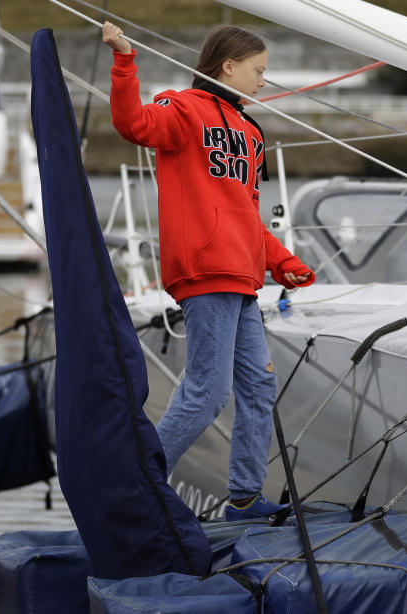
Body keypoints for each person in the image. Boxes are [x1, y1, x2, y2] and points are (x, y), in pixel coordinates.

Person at [103, 21, 315, 521]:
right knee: (208, 392)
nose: (264, 81)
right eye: (259, 71)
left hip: (243, 279)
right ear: (228, 66)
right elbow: (133, 124)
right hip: (206, 272)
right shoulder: (181, 109)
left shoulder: (248, 132)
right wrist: (125, 60)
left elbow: (245, 214)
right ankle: (135, 492)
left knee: (259, 388)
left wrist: (283, 263)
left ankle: (242, 498)